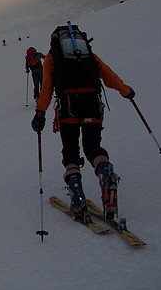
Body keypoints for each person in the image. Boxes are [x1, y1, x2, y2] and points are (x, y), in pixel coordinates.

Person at [30, 26, 135, 222]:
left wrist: (40, 112)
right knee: (92, 146)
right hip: (92, 104)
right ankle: (104, 170)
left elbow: (47, 87)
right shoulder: (88, 55)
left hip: (68, 106)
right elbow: (108, 74)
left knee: (70, 150)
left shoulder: (53, 58)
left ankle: (77, 199)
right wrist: (125, 91)